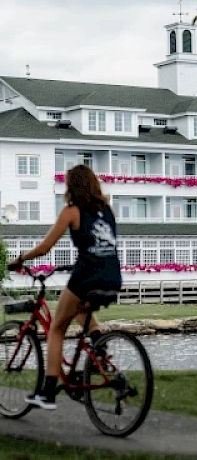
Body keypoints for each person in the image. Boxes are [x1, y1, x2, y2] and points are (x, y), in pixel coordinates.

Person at [9, 164, 122, 410]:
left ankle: (48, 392)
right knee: (80, 311)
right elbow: (100, 245)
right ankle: (100, 350)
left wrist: (20, 260)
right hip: (112, 277)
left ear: (72, 186)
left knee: (56, 329)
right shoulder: (109, 209)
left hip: (87, 277)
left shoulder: (71, 212)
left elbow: (44, 248)